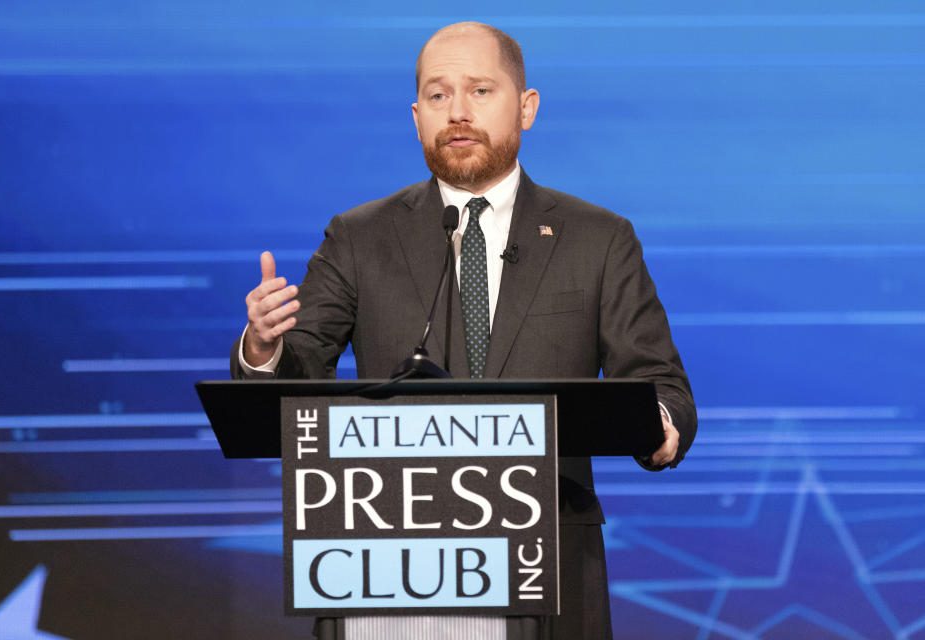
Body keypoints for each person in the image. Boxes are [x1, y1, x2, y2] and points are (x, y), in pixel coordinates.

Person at [232, 21, 696, 640]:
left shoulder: (598, 239)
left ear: (525, 108)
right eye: (438, 95)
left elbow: (661, 384)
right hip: (387, 563)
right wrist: (264, 348)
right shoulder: (359, 237)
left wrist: (656, 426)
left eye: (480, 91)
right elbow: (296, 384)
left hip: (545, 564)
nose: (458, 112)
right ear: (416, 115)